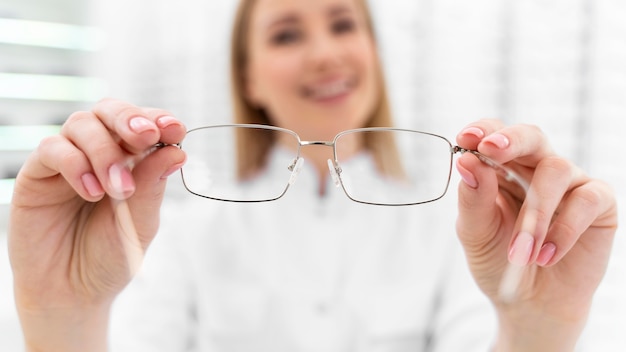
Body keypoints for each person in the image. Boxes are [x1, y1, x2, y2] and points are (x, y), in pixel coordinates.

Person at [8, 0, 617, 351]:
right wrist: (63, 317)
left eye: (343, 23)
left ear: (375, 52)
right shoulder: (185, 230)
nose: (325, 53)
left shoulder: (465, 227)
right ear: (249, 79)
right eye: (287, 33)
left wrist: (538, 333)